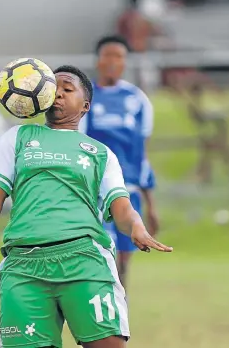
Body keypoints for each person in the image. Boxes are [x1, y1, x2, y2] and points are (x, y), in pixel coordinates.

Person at [0, 65, 172, 348]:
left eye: (68, 89)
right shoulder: (18, 138)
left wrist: (136, 227)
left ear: (85, 105)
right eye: (55, 89)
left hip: (84, 261)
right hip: (24, 267)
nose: (59, 95)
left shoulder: (101, 153)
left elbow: (121, 207)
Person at [79, 35, 160, 289]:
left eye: (119, 57)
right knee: (103, 258)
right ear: (98, 61)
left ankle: (119, 315)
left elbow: (142, 155)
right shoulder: (84, 98)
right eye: (108, 56)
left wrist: (151, 204)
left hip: (129, 193)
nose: (114, 62)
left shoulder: (138, 100)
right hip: (95, 192)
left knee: (123, 262)